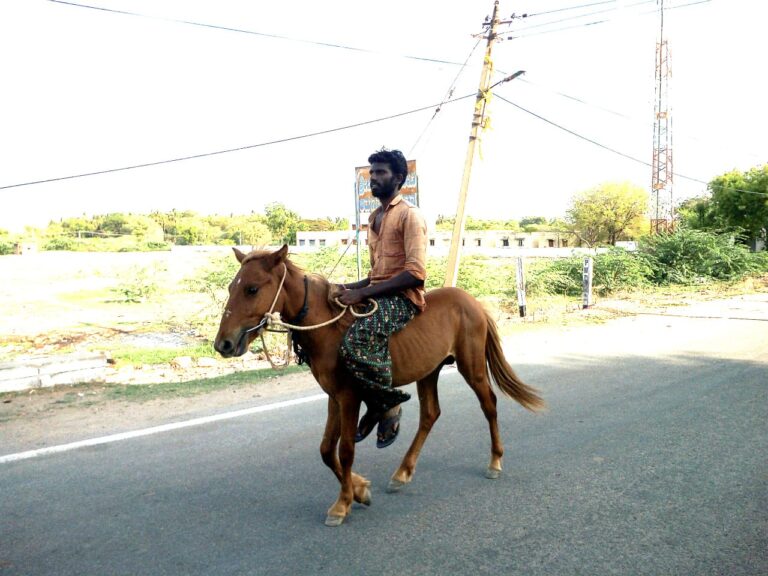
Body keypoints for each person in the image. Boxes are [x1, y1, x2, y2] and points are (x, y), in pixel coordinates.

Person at [336, 148, 428, 449]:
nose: (373, 178)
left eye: (380, 172)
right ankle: (374, 403)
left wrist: (362, 293)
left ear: (398, 178)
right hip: (379, 294)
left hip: (402, 298)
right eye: (371, 173)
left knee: (355, 341)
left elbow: (415, 274)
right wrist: (342, 287)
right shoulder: (374, 217)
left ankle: (387, 403)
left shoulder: (409, 215)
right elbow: (376, 276)